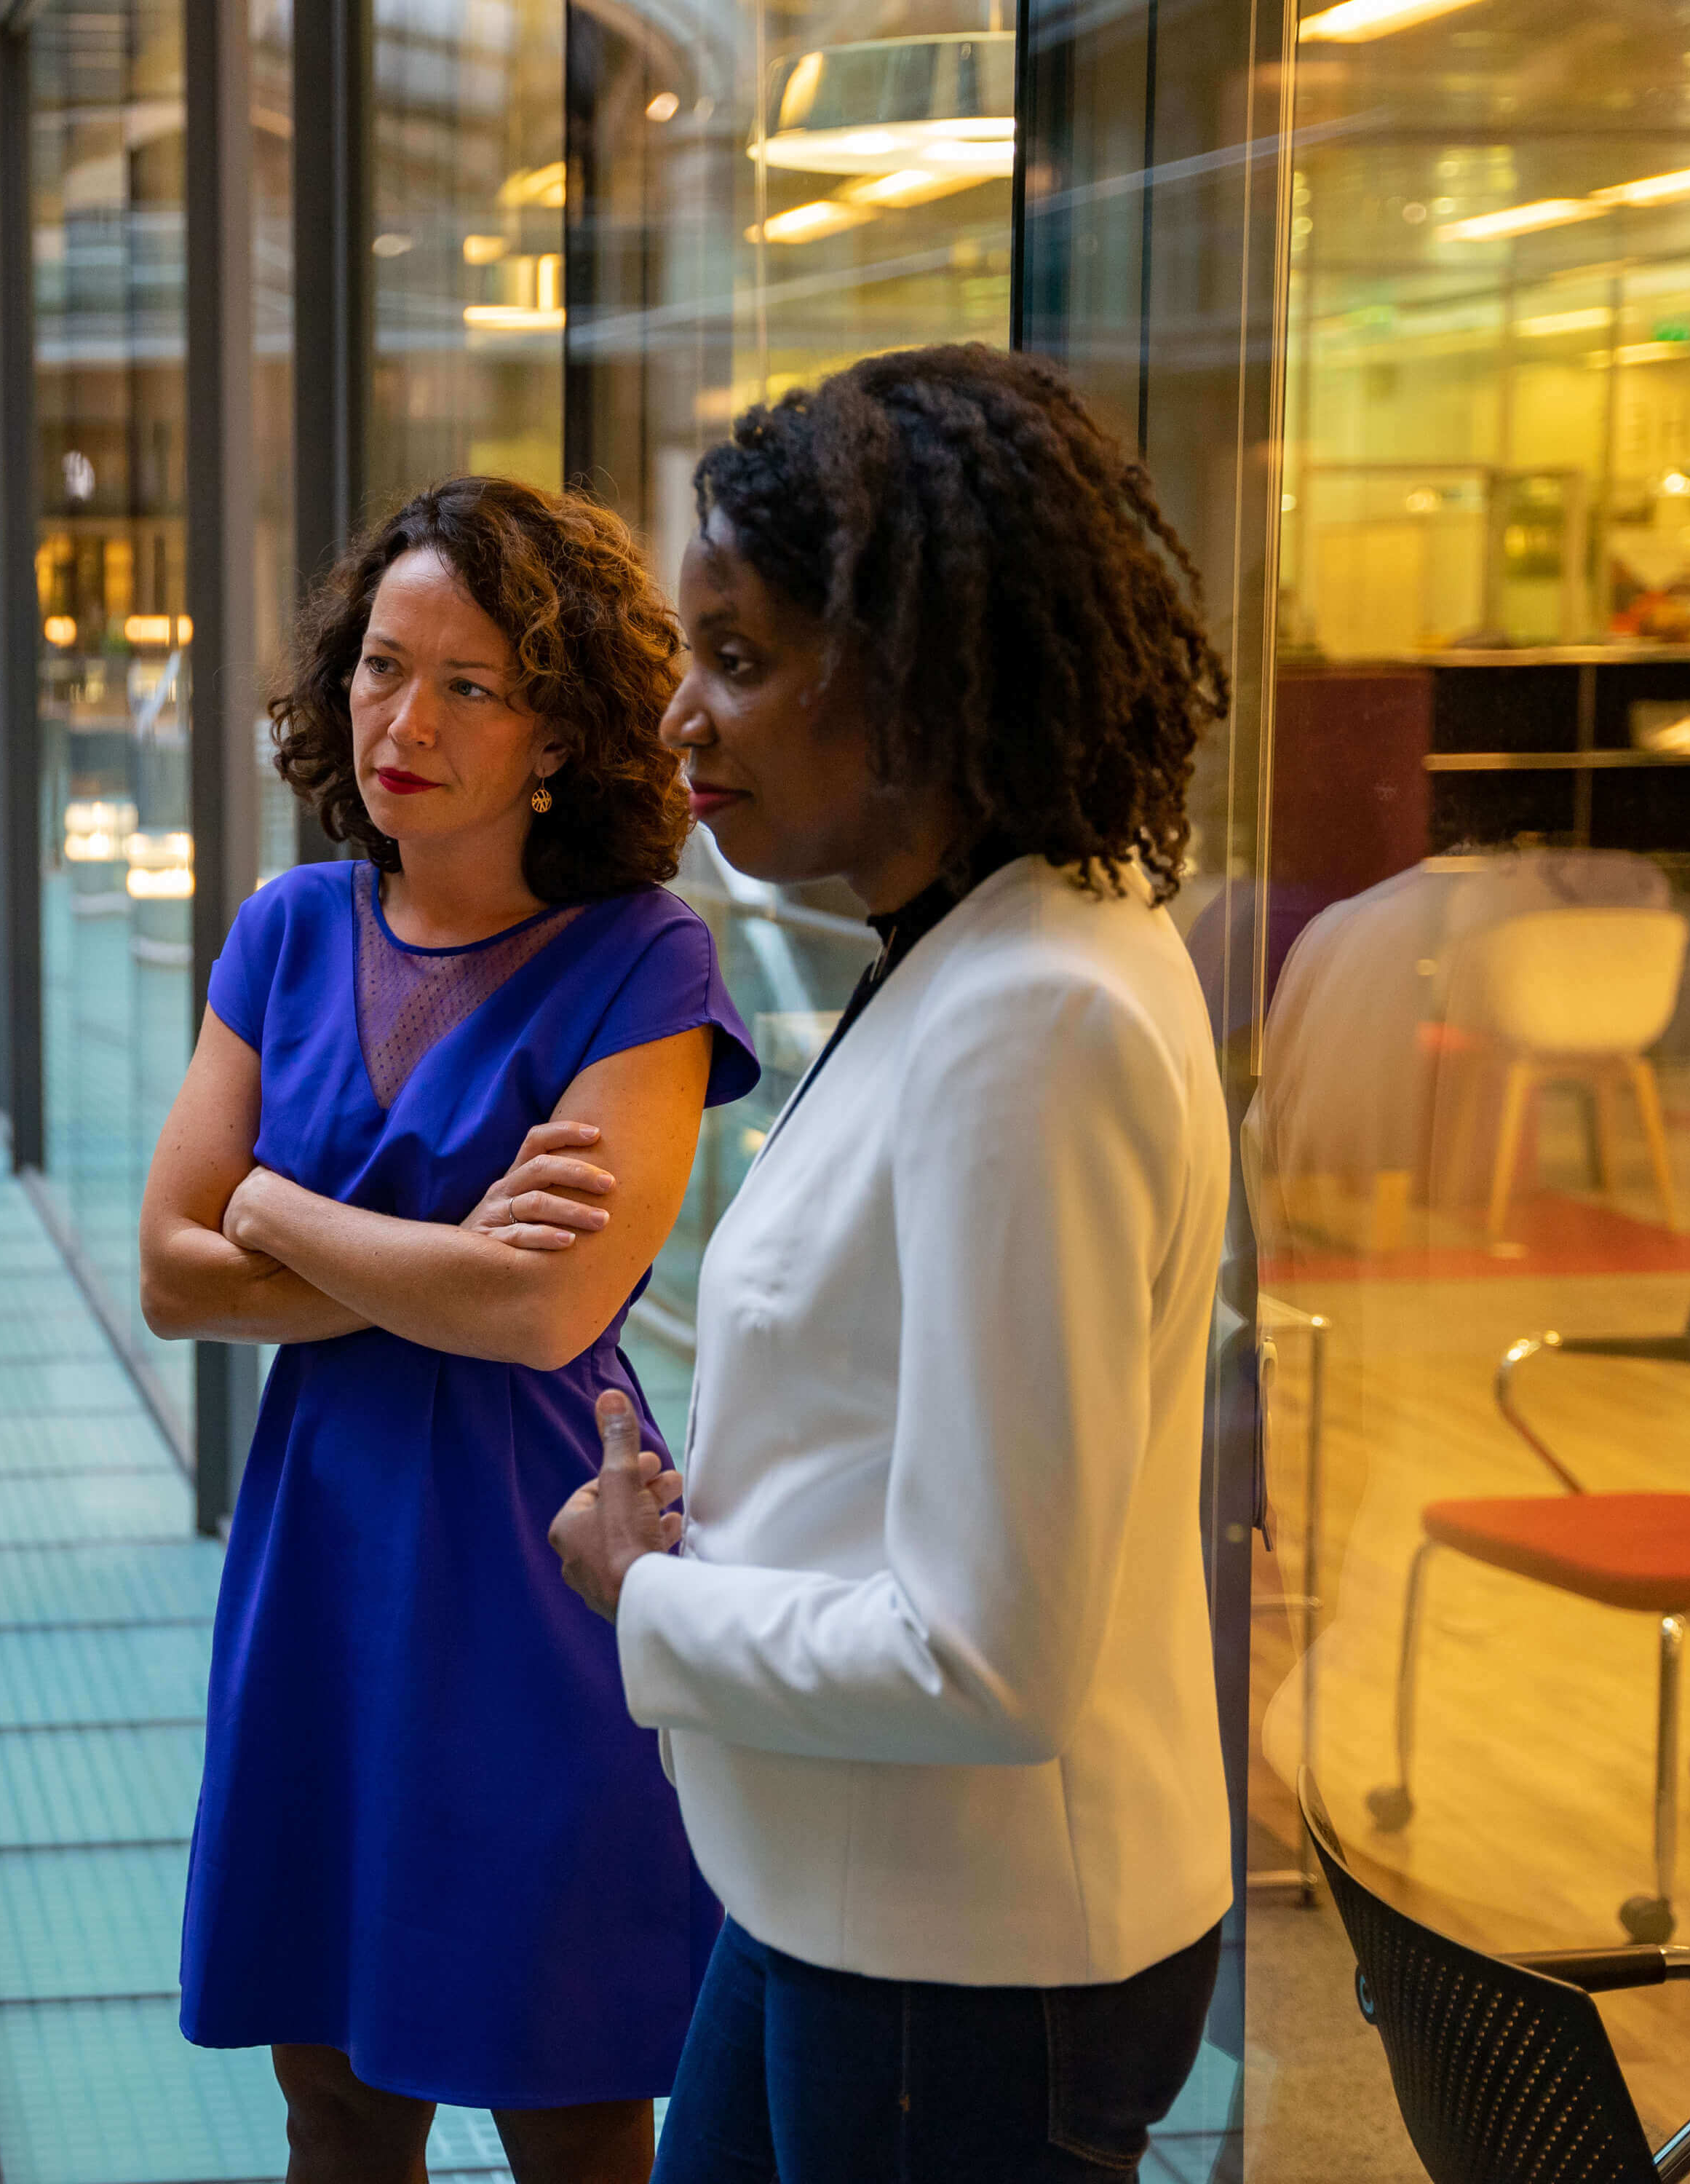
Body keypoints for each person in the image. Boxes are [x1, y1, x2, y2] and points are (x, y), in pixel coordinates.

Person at [548, 343, 1237, 2183]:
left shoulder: (1036, 1016)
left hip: (962, 1970)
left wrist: (647, 1593)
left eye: (743, 659)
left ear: (934, 682)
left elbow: (986, 1657)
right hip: (848, 1905)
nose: (681, 719)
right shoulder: (979, 946)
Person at [143, 475, 761, 2184]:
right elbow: (168, 1274)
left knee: (568, 2093)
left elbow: (548, 1302)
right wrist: (428, 1259)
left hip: (536, 1548)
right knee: (333, 2105)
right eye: (380, 668)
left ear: (561, 727)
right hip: (325, 1549)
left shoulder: (644, 957)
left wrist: (276, 1206)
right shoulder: (289, 929)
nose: (403, 722)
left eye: (471, 685)